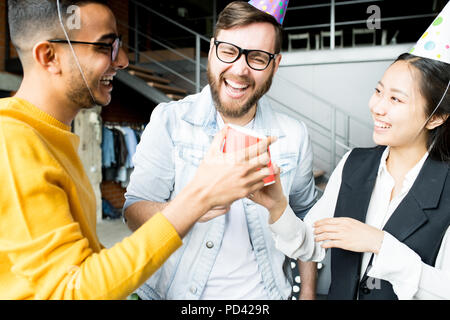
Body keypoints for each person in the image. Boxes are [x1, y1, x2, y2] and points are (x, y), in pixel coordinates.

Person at [0, 0, 275, 299]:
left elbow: (78, 266)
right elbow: (72, 291)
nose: (123, 61)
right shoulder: (12, 142)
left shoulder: (49, 136)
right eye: (106, 47)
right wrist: (200, 196)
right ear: (49, 56)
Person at [123, 0, 318, 300]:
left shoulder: (293, 136)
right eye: (229, 51)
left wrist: (307, 293)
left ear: (275, 65)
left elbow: (305, 219)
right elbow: (133, 211)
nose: (239, 70)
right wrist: (194, 205)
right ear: (212, 49)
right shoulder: (170, 121)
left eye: (257, 58)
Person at [267, 22, 450, 298]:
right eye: (378, 91)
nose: (377, 107)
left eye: (396, 100)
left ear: (436, 117)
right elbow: (310, 245)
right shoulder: (353, 164)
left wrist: (380, 243)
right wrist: (276, 205)